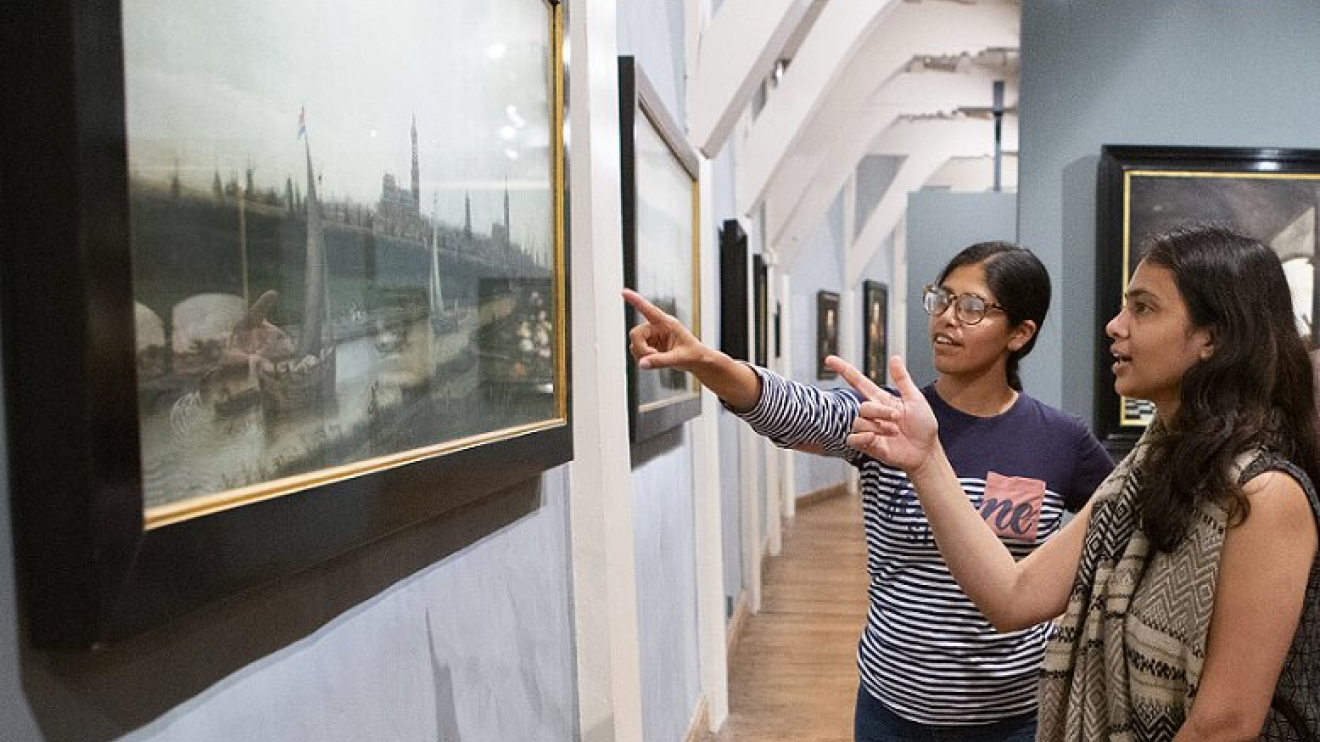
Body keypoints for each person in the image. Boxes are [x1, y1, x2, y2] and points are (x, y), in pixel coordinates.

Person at [837, 225, 1320, 742]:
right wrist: (927, 459)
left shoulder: (1263, 495)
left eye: (1144, 308)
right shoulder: (1150, 466)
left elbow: (1223, 725)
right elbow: (1012, 595)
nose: (1115, 326)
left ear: (1213, 337)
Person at [625, 241, 1114, 742]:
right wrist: (705, 361)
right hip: (893, 707)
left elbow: (1124, 524)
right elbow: (797, 408)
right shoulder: (888, 418)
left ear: (1020, 332)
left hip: (1014, 714)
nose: (946, 318)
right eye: (941, 299)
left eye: (971, 308)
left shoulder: (1059, 440)